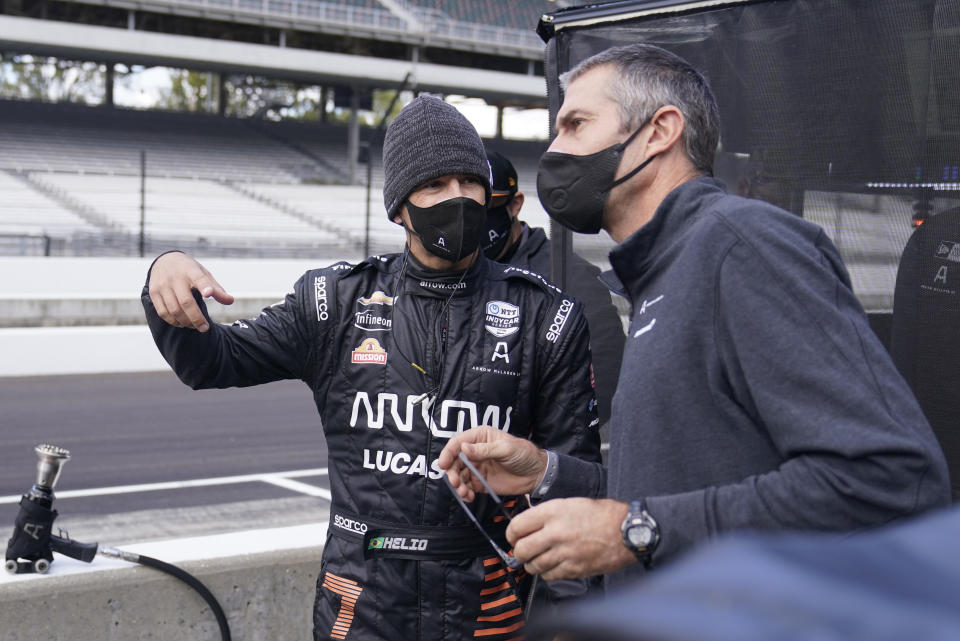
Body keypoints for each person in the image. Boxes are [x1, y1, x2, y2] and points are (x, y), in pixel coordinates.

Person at [440, 43, 951, 593]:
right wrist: (548, 473)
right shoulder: (667, 269)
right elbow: (684, 486)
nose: (554, 149)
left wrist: (633, 531)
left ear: (659, 131)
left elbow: (890, 478)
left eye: (575, 124)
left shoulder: (742, 246)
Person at [141, 95, 602, 641]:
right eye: (435, 185)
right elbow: (213, 362)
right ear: (400, 208)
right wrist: (163, 275)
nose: (457, 198)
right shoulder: (334, 301)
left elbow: (578, 487)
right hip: (360, 601)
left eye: (469, 182)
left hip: (486, 601)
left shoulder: (546, 315)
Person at [482, 149, 625, 427]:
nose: (476, 223)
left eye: (489, 209)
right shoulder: (449, 272)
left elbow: (608, 374)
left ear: (515, 205)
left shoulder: (568, 275)